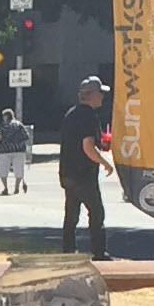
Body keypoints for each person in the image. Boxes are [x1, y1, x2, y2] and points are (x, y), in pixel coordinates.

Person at [59, 76, 110, 254]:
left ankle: (68, 250)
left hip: (67, 173)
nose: (103, 97)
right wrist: (105, 163)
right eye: (101, 93)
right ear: (92, 95)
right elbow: (88, 147)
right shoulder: (89, 116)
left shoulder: (70, 114)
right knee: (97, 213)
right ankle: (99, 252)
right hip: (84, 174)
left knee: (71, 214)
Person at [0, 109, 30, 194]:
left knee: (3, 170)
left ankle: (5, 188)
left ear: (5, 116)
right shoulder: (19, 125)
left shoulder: (3, 125)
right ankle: (16, 187)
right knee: (19, 170)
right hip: (19, 150)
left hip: (4, 150)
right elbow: (26, 136)